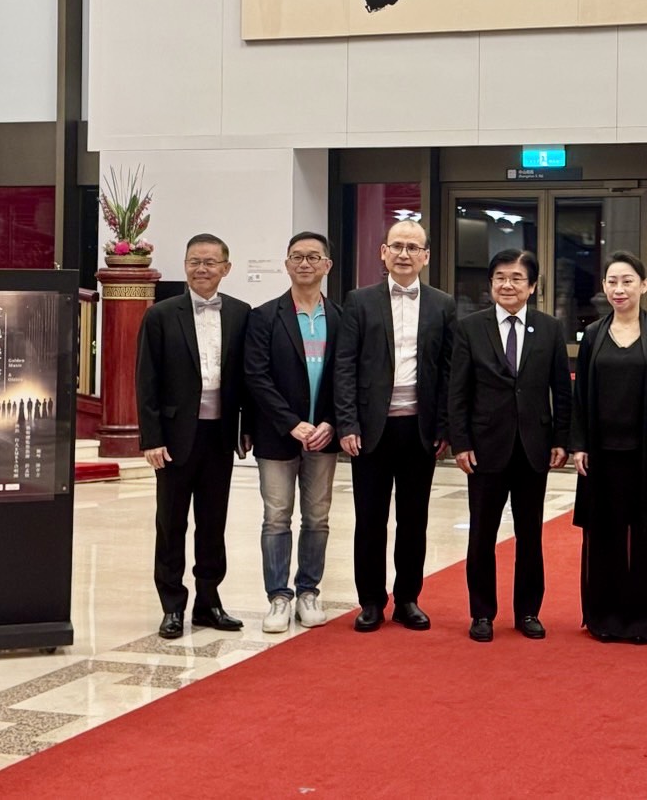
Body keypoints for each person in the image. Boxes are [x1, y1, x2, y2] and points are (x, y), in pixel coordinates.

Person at [334, 219, 456, 633]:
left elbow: (448, 370)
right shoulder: (359, 301)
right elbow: (345, 366)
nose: (404, 254)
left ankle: (408, 599)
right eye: (397, 246)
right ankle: (371, 601)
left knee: (413, 520)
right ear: (383, 252)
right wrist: (347, 423)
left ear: (426, 256)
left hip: (419, 430)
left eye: (413, 247)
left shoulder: (443, 304)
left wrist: (444, 427)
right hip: (371, 430)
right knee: (370, 520)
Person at [449, 249, 571, 642]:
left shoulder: (549, 329)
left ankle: (528, 611)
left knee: (530, 534)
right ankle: (482, 613)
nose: (508, 285)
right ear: (490, 284)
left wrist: (561, 438)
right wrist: (461, 442)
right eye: (500, 277)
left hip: (534, 446)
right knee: (482, 535)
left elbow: (561, 390)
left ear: (532, 286)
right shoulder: (470, 328)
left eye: (517, 278)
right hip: (485, 447)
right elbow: (458, 391)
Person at [136, 233, 251, 639]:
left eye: (210, 262)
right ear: (185, 266)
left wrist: (247, 428)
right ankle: (172, 605)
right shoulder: (161, 314)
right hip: (174, 438)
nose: (202, 269)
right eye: (194, 262)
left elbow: (247, 378)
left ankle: (208, 602)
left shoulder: (241, 313)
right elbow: (146, 380)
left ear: (226, 268)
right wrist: (151, 438)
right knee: (171, 524)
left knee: (212, 523)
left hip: (219, 434)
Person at [569, 251, 647, 643]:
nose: (619, 289)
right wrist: (580, 444)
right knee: (606, 533)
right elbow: (581, 394)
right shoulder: (594, 334)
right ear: (604, 287)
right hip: (602, 453)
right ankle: (606, 616)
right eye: (612, 282)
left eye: (627, 281)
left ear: (644, 285)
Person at [243, 232, 342, 633]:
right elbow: (256, 377)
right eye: (297, 256)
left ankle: (308, 591)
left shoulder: (341, 318)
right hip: (277, 436)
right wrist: (291, 423)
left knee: (317, 517)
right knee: (276, 517)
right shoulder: (265, 316)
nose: (305, 263)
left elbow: (347, 377)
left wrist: (331, 421)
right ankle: (278, 597)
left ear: (327, 265)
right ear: (286, 264)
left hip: (324, 436)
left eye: (313, 257)